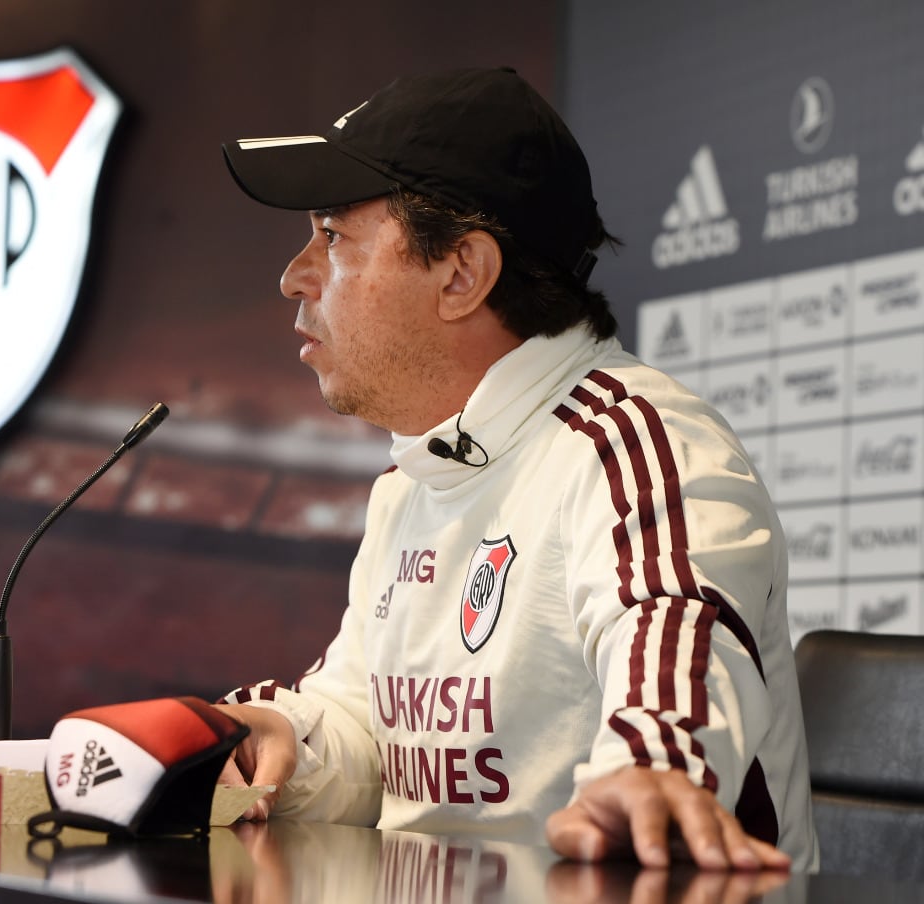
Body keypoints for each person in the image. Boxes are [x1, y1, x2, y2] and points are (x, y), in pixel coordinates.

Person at [214, 67, 818, 872]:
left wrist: (651, 766)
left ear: (462, 273)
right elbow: (370, 734)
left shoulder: (636, 440)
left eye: (332, 236)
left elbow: (676, 633)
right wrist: (287, 739)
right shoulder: (412, 482)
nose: (296, 276)